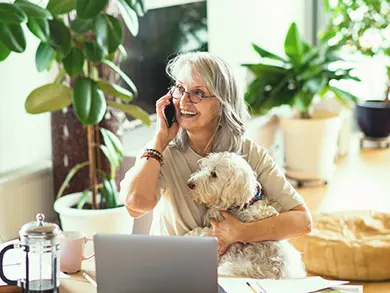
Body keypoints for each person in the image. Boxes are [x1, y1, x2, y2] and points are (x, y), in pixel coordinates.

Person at [119, 52, 312, 256]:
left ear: (222, 103)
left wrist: (241, 232)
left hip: (230, 274)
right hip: (175, 267)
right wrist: (160, 138)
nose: (184, 101)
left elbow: (302, 221)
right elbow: (135, 206)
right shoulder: (160, 152)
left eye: (198, 93)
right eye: (180, 89)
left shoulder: (249, 153)